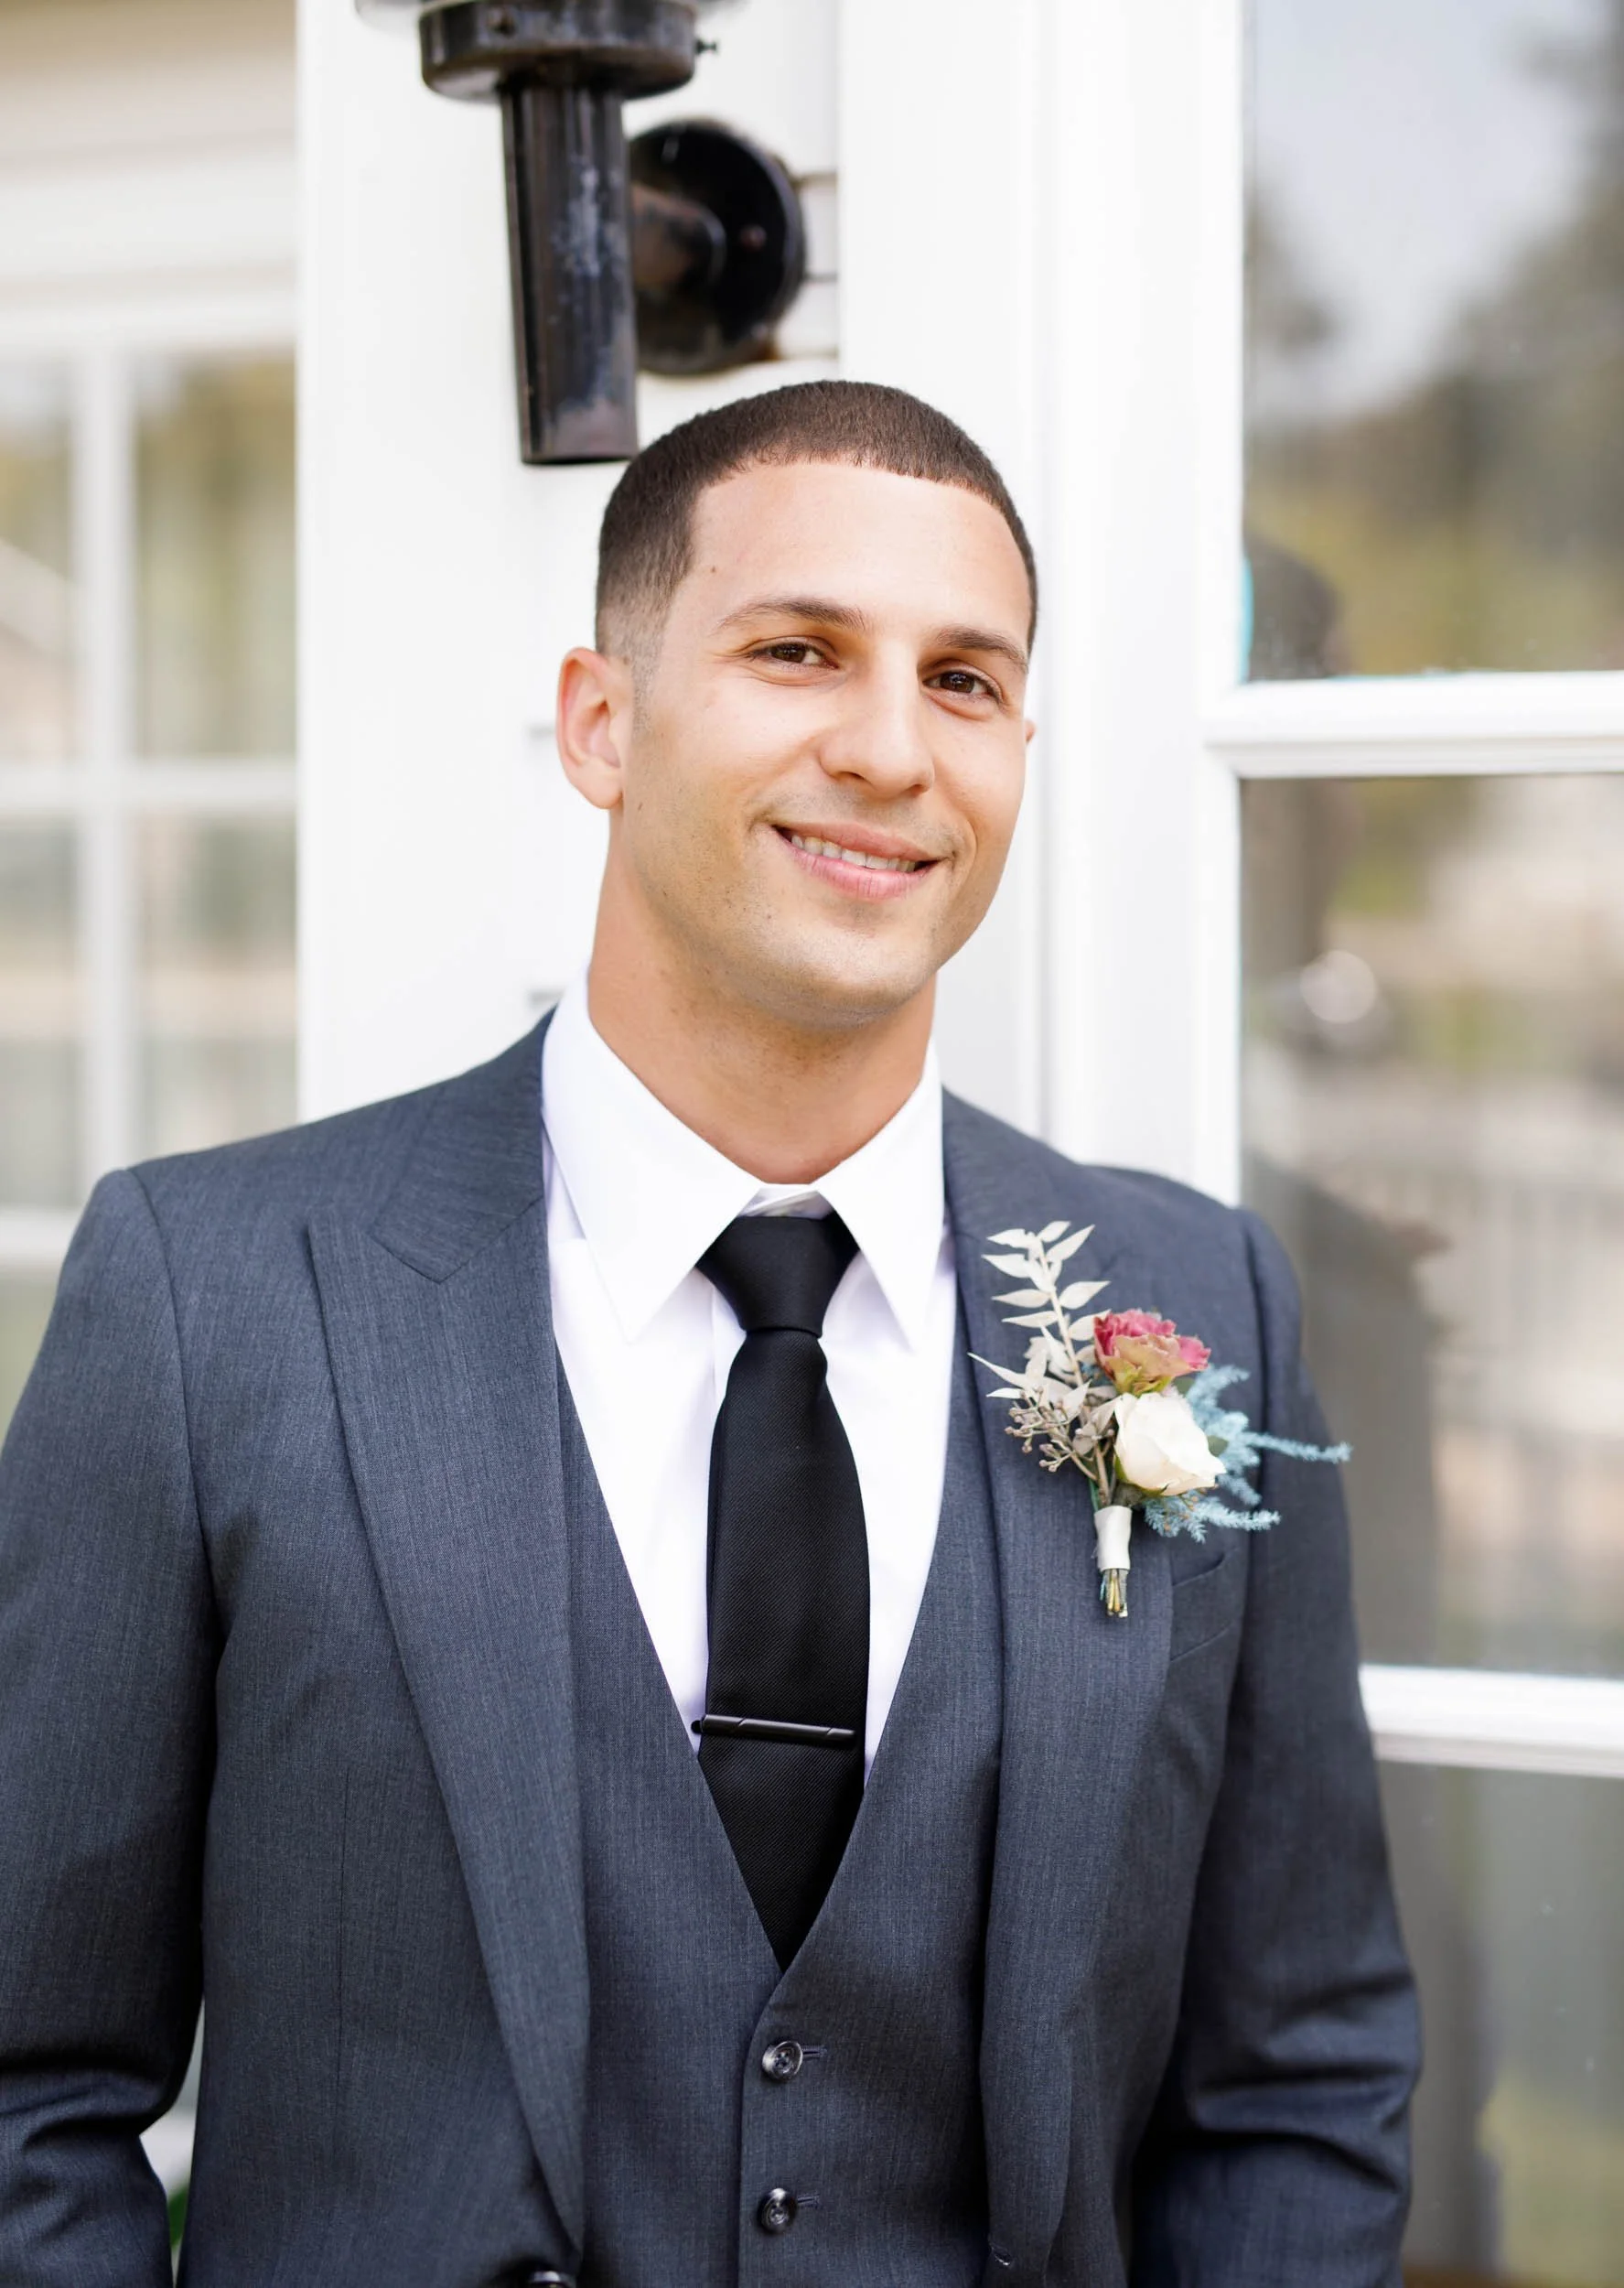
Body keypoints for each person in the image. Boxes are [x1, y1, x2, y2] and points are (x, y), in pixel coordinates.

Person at [0, 381, 1416, 2287]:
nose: (890, 749)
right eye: (795, 650)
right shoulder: (211, 1291)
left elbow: (1295, 2077)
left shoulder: (1201, 1299)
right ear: (601, 719)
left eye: (965, 680)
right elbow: (28, 2082)